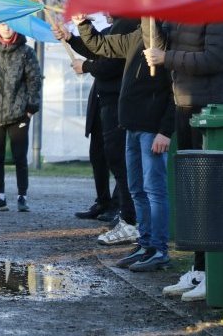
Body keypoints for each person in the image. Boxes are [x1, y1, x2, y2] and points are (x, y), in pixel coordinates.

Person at [66, 15, 176, 274]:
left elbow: (175, 89)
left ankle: (159, 249)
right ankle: (145, 244)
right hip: (131, 126)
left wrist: (165, 131)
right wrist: (83, 25)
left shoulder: (166, 38)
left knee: (154, 190)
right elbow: (102, 45)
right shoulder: (135, 36)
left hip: (152, 129)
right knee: (136, 189)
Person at [145, 21, 223, 302]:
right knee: (194, 196)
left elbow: (215, 58)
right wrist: (149, 15)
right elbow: (157, 45)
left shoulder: (220, 13)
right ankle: (199, 269)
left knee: (210, 195)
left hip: (211, 108)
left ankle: (215, 273)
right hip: (184, 105)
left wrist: (167, 57)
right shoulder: (180, 14)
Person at [58, 17, 138, 247]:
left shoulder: (129, 25)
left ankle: (128, 217)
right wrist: (71, 38)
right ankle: (112, 206)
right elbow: (98, 47)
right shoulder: (116, 27)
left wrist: (86, 66)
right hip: (105, 101)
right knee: (105, 156)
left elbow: (110, 61)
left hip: (119, 102)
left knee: (122, 164)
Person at [0, 23, 42, 213]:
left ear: (16, 27)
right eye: (3, 25)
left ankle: (22, 197)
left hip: (19, 113)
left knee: (20, 156)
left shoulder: (26, 52)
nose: (7, 29)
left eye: (10, 25)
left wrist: (31, 108)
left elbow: (35, 80)